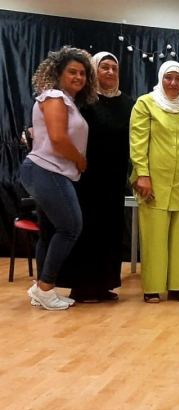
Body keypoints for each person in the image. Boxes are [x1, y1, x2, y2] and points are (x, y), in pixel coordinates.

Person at [53, 51, 133, 303]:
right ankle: (81, 286)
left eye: (114, 68)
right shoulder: (83, 101)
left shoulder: (128, 103)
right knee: (87, 230)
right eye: (104, 67)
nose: (110, 72)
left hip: (114, 177)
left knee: (110, 231)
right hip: (86, 177)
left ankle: (103, 285)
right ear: (94, 71)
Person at [20, 46, 95, 310]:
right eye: (72, 72)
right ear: (59, 73)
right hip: (47, 169)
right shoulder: (54, 97)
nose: (78, 77)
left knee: (51, 231)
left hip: (49, 171)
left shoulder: (68, 102)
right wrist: (80, 160)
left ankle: (41, 288)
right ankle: (45, 288)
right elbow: (58, 138)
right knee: (70, 227)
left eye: (83, 73)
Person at [130, 60, 179, 303]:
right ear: (160, 78)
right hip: (154, 181)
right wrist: (142, 174)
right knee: (154, 237)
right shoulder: (145, 104)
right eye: (168, 77)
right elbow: (138, 141)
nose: (173, 83)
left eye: (178, 79)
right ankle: (153, 287)